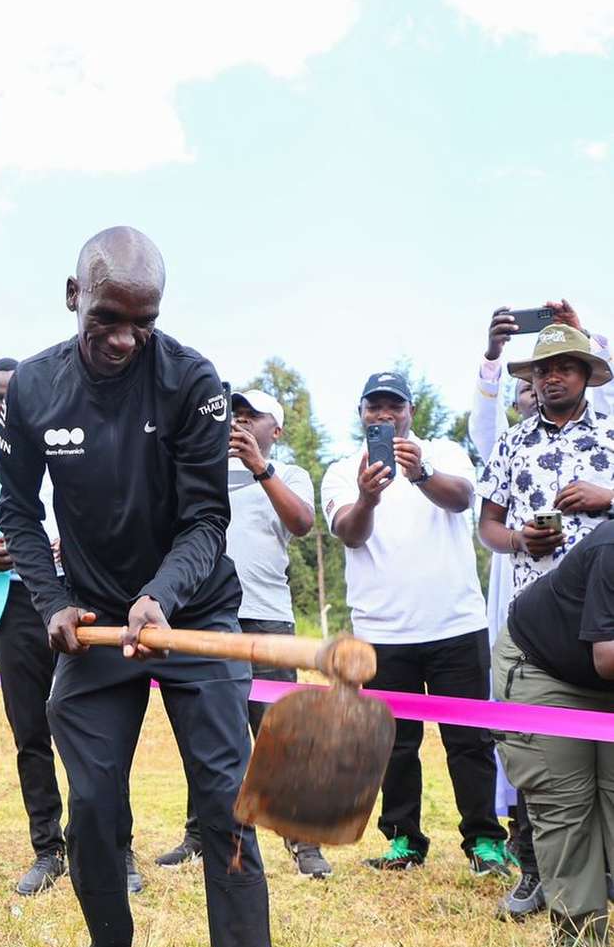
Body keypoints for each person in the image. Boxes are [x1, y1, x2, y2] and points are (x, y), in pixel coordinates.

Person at [0, 226, 296, 947]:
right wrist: (52, 601)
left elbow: (208, 517)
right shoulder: (34, 389)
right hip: (92, 621)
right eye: (107, 320)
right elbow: (19, 511)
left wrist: (160, 596)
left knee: (223, 802)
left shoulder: (193, 382)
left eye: (143, 321)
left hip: (192, 613)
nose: (125, 338)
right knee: (90, 804)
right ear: (73, 298)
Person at [0, 359, 145, 897]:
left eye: (10, 394)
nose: (2, 404)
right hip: (10, 608)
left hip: (83, 602)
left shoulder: (69, 435)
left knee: (99, 728)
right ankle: (48, 849)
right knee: (30, 731)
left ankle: (115, 848)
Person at [321, 371, 508, 874]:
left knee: (469, 740)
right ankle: (404, 840)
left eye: (393, 407)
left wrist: (420, 472)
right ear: (361, 414)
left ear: (411, 411)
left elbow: (463, 498)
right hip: (381, 633)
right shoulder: (343, 471)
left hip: (455, 625)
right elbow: (350, 534)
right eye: (373, 408)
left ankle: (485, 841)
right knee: (394, 745)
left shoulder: (444, 452)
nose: (383, 416)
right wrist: (368, 497)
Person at [156, 387, 331, 878]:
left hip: (266, 619)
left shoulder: (287, 473)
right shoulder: (200, 472)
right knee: (205, 731)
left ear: (275, 430)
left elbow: (300, 523)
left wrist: (260, 468)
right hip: (205, 620)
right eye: (235, 413)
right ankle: (199, 832)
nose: (240, 421)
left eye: (253, 417)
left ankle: (304, 842)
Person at [477, 320, 614, 914]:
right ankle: (538, 874)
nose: (552, 377)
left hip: (608, 609)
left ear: (587, 375)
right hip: (543, 626)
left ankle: (598, 880)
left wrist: (605, 498)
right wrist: (518, 542)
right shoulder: (513, 441)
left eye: (564, 367)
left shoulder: (611, 431)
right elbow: (488, 525)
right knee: (548, 768)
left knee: (603, 779)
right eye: (542, 370)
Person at [493, 519, 614, 947]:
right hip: (543, 670)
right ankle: (582, 943)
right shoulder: (610, 548)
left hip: (602, 680)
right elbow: (607, 657)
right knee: (567, 805)